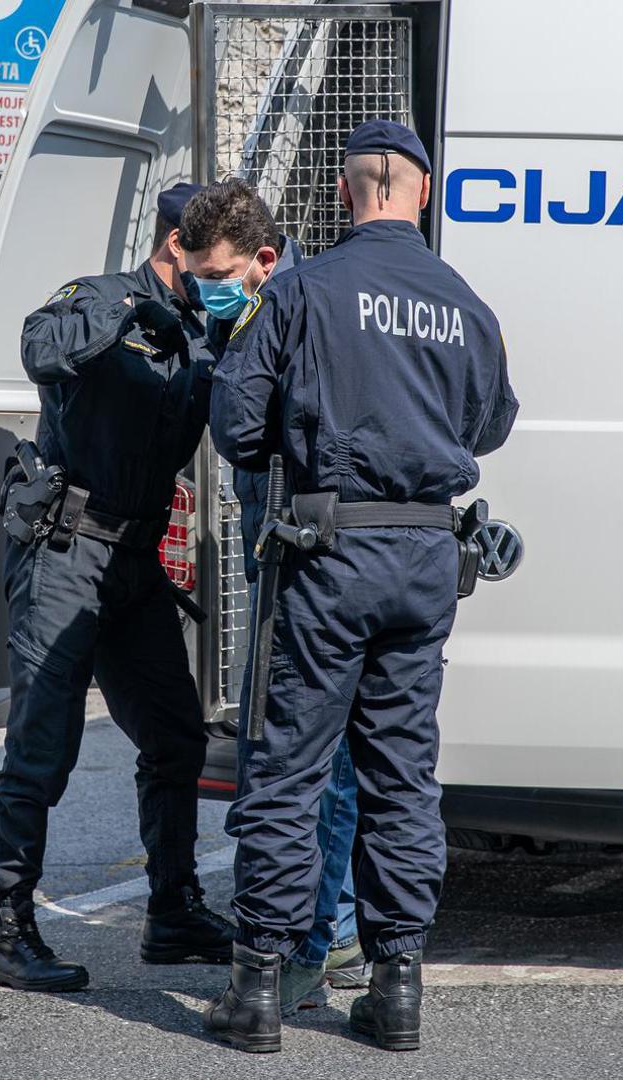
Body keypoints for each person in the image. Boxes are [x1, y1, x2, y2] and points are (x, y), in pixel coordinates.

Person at [203, 120, 520, 1053]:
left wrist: (303, 464)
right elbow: (491, 425)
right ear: (421, 193)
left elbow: (235, 420)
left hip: (326, 552)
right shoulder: (465, 304)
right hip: (424, 562)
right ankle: (398, 990)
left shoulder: (303, 290)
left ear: (347, 192)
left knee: (288, 769)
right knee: (400, 775)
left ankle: (257, 989)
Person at [0, 181, 235, 992]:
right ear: (172, 246)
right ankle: (5, 930)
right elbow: (39, 349)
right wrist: (125, 318)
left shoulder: (200, 331)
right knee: (40, 749)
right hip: (66, 548)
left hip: (133, 559)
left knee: (176, 735)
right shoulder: (99, 297)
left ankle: (172, 911)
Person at [175, 179, 368, 1015]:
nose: (202, 286)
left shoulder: (303, 306)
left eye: (213, 273)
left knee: (312, 765)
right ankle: (335, 935)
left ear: (261, 258)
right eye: (193, 273)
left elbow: (255, 432)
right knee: (299, 757)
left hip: (309, 557)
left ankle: (320, 943)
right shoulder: (245, 305)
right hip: (274, 551)